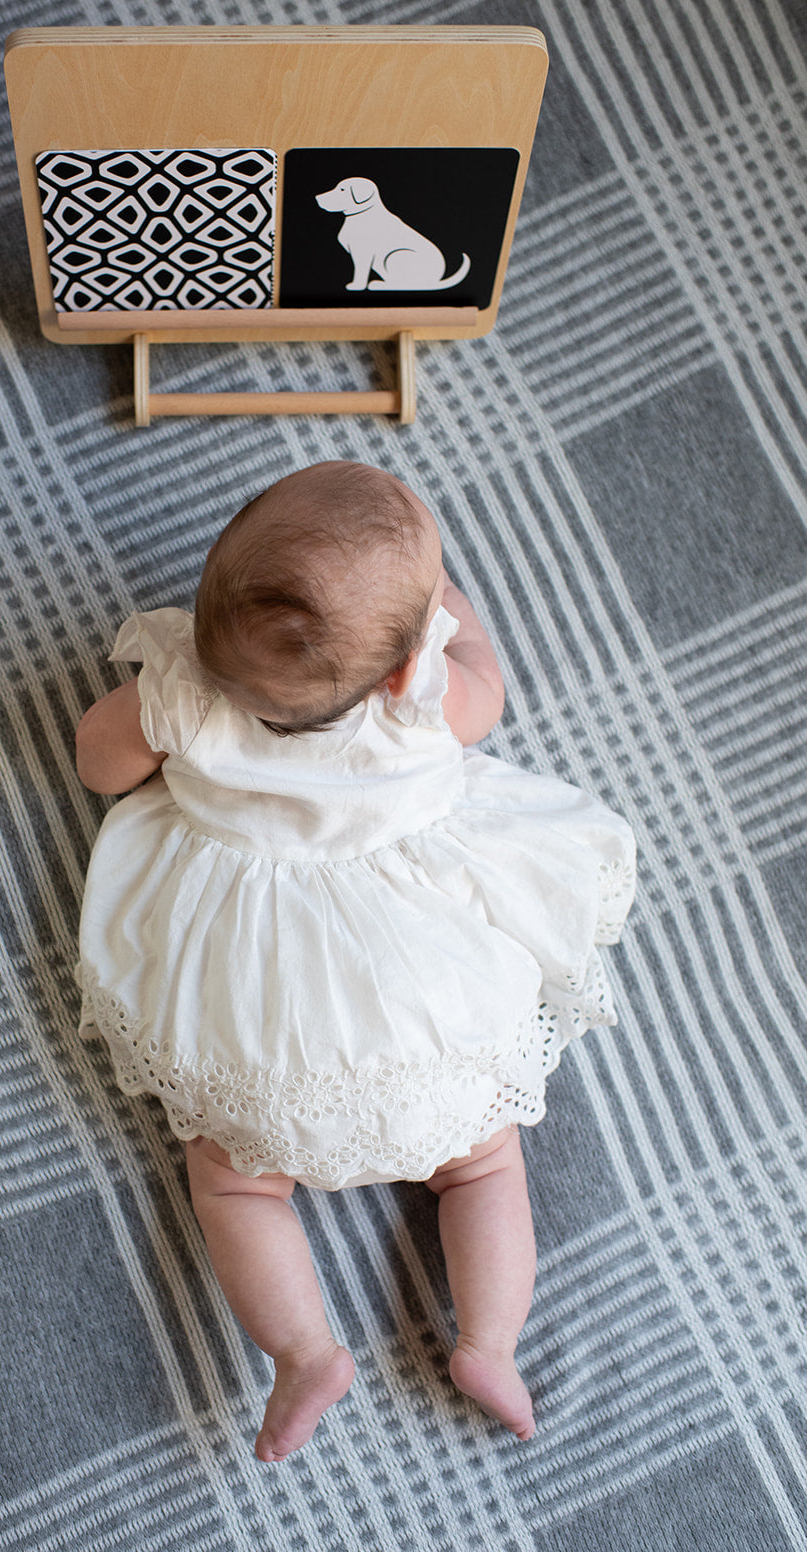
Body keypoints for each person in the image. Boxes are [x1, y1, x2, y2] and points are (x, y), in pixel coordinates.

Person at [75, 461, 635, 1462]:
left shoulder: (188, 698)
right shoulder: (419, 699)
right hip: (424, 1011)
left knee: (238, 1184)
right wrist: (454, 619)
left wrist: (156, 709)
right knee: (486, 1161)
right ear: (399, 665)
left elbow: (98, 764)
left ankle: (302, 1352)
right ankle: (490, 1342)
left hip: (269, 1022)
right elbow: (488, 697)